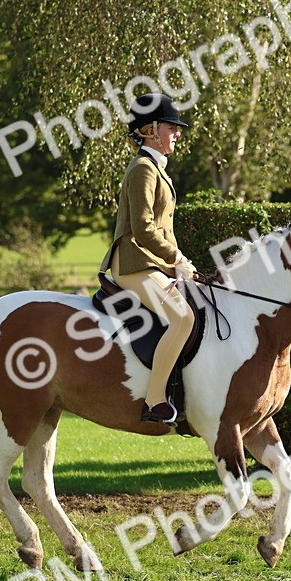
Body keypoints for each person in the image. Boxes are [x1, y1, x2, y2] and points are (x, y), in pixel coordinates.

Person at [99, 92, 195, 424]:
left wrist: (176, 264)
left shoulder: (154, 167)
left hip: (152, 262)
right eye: (172, 127)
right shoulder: (143, 168)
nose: (177, 133)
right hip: (133, 262)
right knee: (183, 318)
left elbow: (163, 228)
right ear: (150, 129)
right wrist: (177, 258)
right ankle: (155, 401)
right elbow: (143, 228)